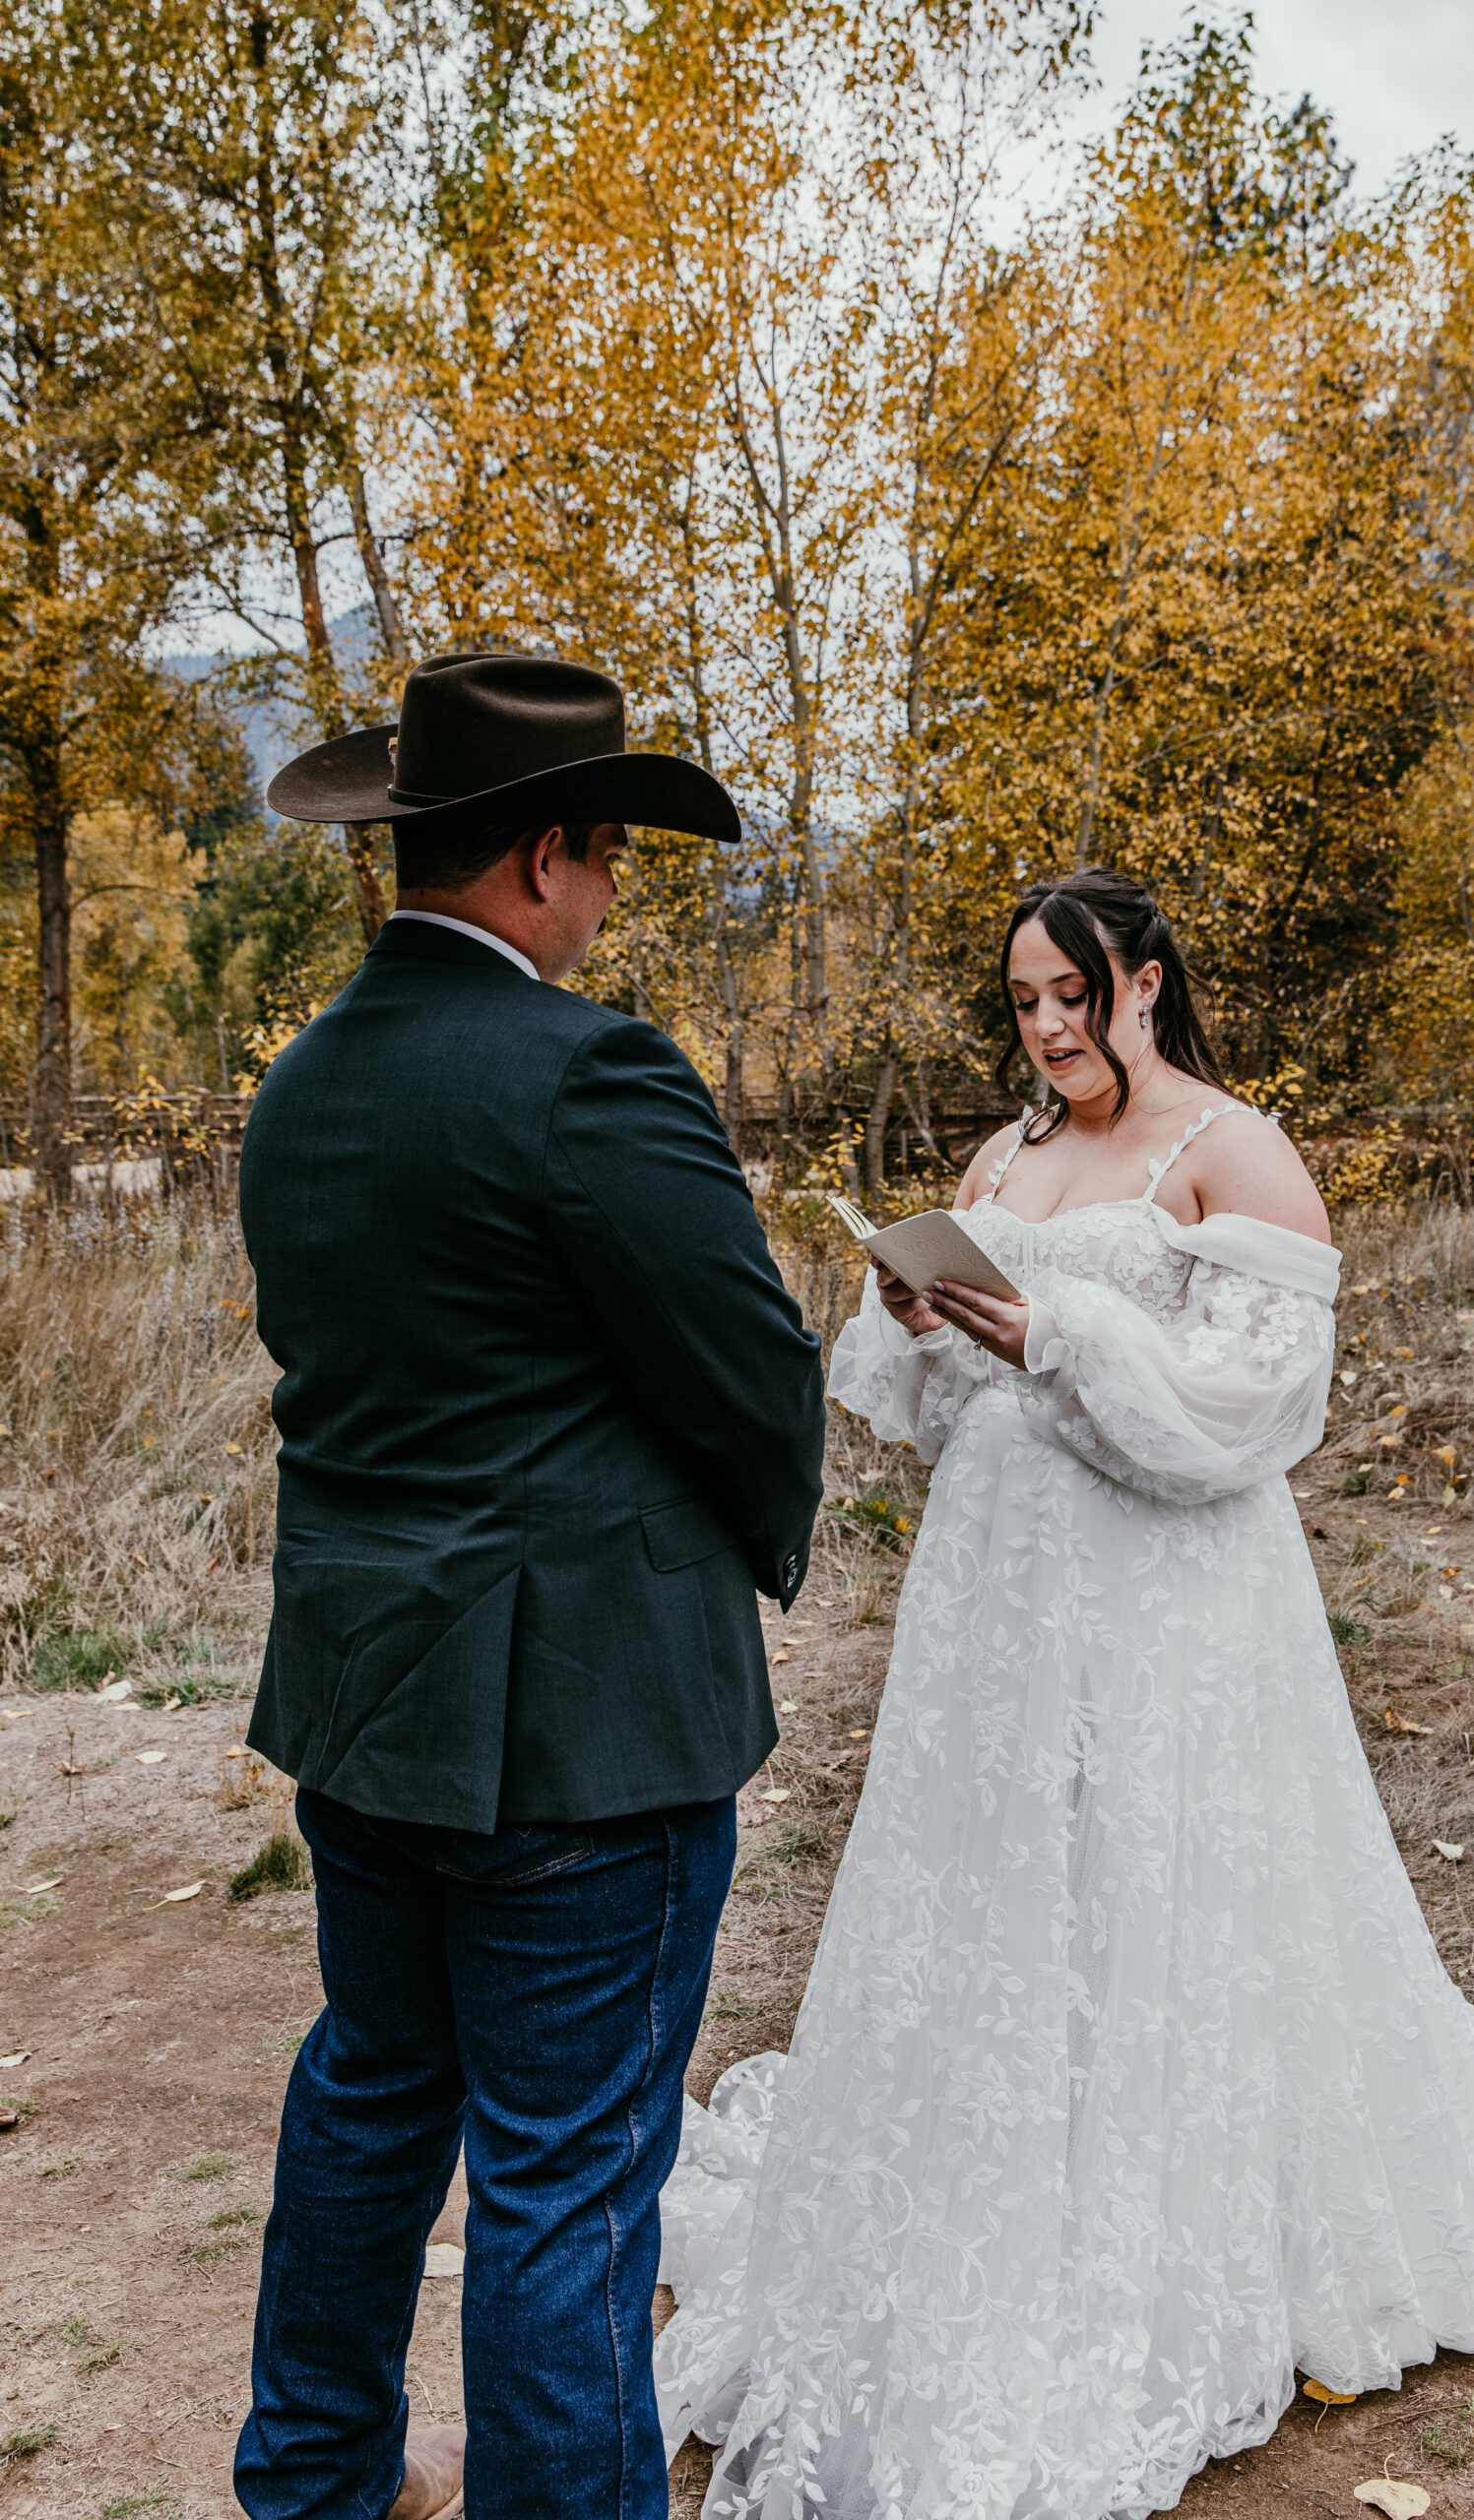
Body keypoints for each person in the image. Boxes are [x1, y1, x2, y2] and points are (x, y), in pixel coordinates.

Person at [655, 868, 1474, 2520]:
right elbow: (936, 1412)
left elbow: (1255, 1411)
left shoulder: (1231, 1148)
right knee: (1000, 1878)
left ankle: (1179, 2212)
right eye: (1023, 1002)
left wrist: (1054, 1341)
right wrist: (922, 1316)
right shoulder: (1003, 1157)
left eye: (1073, 998)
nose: (1046, 1030)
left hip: (1173, 1600)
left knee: (1161, 1873)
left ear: (1144, 984)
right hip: (997, 1592)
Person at [234, 652, 828, 2520]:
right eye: (610, 860)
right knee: (570, 2176)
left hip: (366, 1702)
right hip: (583, 1726)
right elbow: (749, 1375)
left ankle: (316, 2480)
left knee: (372, 2094)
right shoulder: (591, 1074)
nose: (610, 898)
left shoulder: (301, 1086)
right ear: (546, 859)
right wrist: (739, 1535)